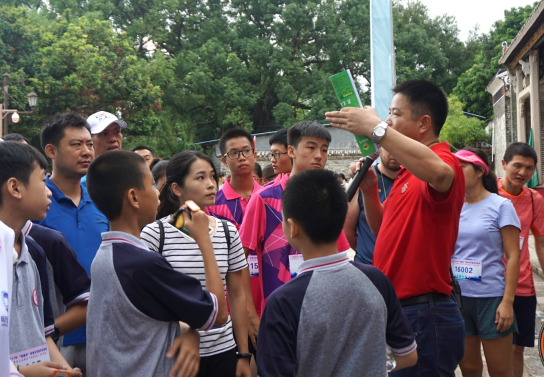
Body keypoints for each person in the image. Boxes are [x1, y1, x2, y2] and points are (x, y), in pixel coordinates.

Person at [326, 79, 466, 376]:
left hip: (424, 312)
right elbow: (381, 230)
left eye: (395, 114)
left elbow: (440, 173)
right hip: (402, 310)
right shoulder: (407, 174)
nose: (388, 121)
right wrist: (369, 190)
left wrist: (376, 128)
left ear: (424, 123)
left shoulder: (443, 161)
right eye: (387, 115)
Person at [257, 169, 417, 376]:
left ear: (292, 227)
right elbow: (407, 355)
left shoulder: (283, 301)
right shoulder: (376, 279)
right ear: (341, 218)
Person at [86, 150, 227, 377]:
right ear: (133, 197)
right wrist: (204, 241)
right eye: (152, 185)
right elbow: (218, 314)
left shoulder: (106, 254)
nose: (158, 194)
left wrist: (188, 331)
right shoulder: (142, 263)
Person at [239, 121, 352, 351]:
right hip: (278, 315)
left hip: (322, 312)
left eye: (324, 149)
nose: (319, 156)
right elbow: (240, 258)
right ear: (291, 151)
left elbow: (341, 257)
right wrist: (251, 315)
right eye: (311, 148)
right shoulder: (264, 199)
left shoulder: (328, 200)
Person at [141, 151, 251, 377]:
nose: (211, 184)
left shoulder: (228, 231)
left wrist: (243, 354)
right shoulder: (155, 234)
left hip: (223, 350)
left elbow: (237, 295)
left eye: (212, 176)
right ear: (177, 189)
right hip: (177, 354)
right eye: (200, 178)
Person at [0, 142, 82, 376]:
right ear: (15, 187)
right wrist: (22, 371)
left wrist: (64, 371)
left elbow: (42, 332)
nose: (49, 192)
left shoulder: (34, 252)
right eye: (43, 180)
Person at [36, 112, 109, 373]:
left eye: (89, 144)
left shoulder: (103, 198)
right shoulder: (36, 202)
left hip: (103, 332)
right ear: (51, 150)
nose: (86, 151)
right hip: (55, 336)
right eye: (76, 145)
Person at [452, 148, 520, 377]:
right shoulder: (450, 206)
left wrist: (507, 302)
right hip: (457, 298)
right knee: (469, 368)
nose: (455, 171)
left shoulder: (501, 206)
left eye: (461, 167)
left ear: (480, 170)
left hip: (491, 299)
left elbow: (513, 256)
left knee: (500, 370)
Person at [206, 128, 262, 369]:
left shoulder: (272, 198)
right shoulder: (212, 205)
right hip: (231, 307)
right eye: (234, 153)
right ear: (223, 159)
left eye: (246, 151)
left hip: (269, 298)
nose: (241, 158)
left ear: (255, 153)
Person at [495, 143, 544, 377]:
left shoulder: (535, 200)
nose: (522, 173)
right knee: (490, 347)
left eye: (529, 168)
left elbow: (541, 243)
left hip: (522, 287)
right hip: (488, 284)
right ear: (504, 164)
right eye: (517, 165)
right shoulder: (486, 192)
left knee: (517, 349)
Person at [23, 221, 91, 349]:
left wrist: (44, 336)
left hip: (44, 357)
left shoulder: (47, 241)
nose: (49, 199)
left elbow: (86, 304)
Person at [344, 147, 400, 264]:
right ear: (379, 147)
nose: (394, 151)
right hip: (368, 266)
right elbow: (348, 232)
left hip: (402, 268)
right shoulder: (362, 179)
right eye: (388, 144)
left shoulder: (416, 179)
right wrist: (368, 253)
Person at [81, 111, 127, 188]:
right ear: (89, 140)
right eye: (104, 134)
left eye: (117, 132)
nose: (113, 139)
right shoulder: (81, 184)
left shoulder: (135, 175)